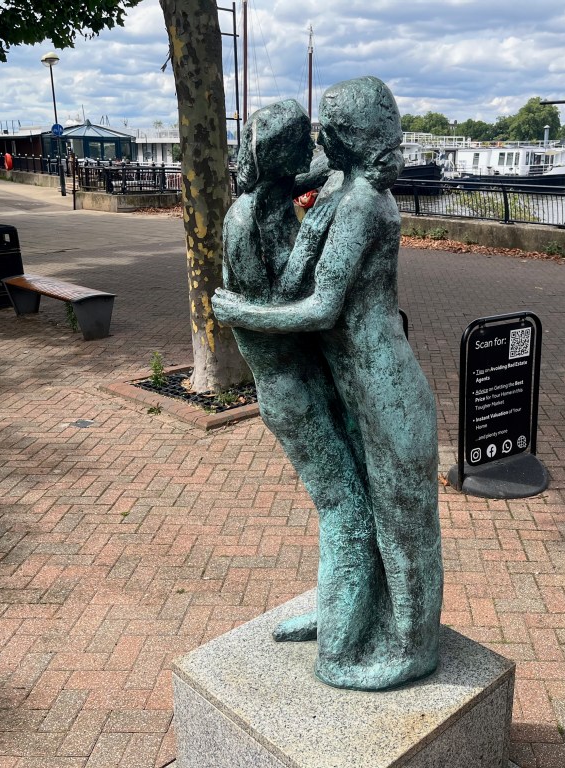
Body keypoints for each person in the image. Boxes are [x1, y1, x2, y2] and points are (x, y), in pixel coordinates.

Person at [213, 77, 443, 691]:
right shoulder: (340, 181)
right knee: (359, 511)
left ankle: (415, 645)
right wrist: (269, 173)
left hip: (386, 388)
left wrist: (237, 312)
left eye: (325, 129)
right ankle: (353, 609)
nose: (316, 141)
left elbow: (322, 308)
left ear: (343, 137)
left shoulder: (365, 200)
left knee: (402, 522)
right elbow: (288, 175)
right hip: (355, 391)